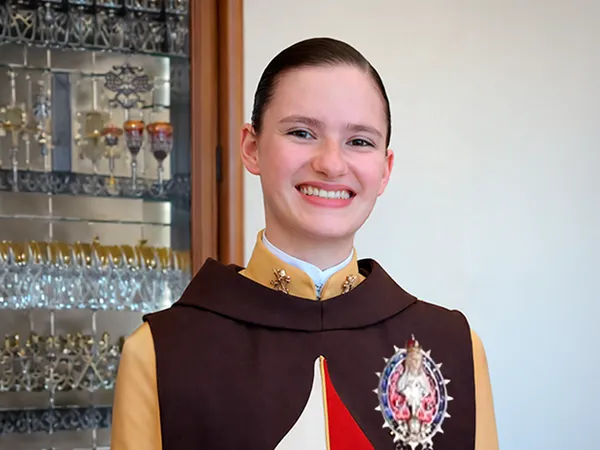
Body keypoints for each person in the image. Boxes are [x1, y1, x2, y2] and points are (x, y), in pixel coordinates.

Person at [110, 37, 499, 450]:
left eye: (360, 141)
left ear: (384, 170)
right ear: (252, 148)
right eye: (301, 132)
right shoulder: (160, 352)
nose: (330, 163)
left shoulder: (454, 348)